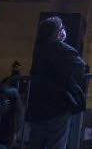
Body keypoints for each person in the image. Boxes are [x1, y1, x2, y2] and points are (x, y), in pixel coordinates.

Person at [26, 16, 88, 149]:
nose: (64, 31)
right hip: (57, 106)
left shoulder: (38, 50)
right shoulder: (63, 50)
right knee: (56, 143)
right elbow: (81, 68)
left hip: (37, 106)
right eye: (62, 28)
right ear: (56, 33)